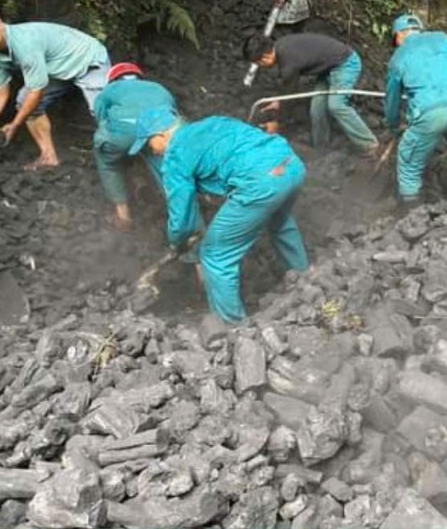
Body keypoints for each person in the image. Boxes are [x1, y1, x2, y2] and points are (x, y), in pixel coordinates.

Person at [130, 109, 310, 323]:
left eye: (149, 145)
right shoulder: (214, 122)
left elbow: (181, 212)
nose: (154, 152)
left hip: (261, 183)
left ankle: (232, 327)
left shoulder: (175, 155)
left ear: (161, 135)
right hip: (290, 164)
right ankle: (306, 280)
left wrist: (178, 241)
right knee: (279, 222)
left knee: (215, 254)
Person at [0, 4, 111, 170]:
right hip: (55, 68)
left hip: (86, 59)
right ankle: (49, 157)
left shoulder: (25, 43)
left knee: (102, 111)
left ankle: (119, 160)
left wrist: (14, 126)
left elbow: (36, 92)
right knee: (24, 101)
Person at [385, 14, 447, 204]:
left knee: (409, 166)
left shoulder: (397, 58)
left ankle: (412, 216)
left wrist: (392, 125)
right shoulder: (441, 38)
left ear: (399, 35)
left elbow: (392, 99)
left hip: (427, 115)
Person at [244, 32, 379, 154]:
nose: (261, 67)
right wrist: (279, 101)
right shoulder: (281, 46)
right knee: (317, 108)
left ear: (265, 58)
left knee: (336, 105)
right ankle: (321, 149)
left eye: (258, 63)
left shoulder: (289, 62)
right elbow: (288, 90)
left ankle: (369, 144)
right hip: (327, 68)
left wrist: (278, 123)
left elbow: (291, 96)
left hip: (345, 63)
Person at [93, 62, 182, 230]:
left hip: (124, 130)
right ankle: (183, 218)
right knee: (166, 169)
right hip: (159, 133)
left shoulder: (110, 89)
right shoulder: (158, 87)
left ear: (114, 79)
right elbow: (171, 116)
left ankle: (123, 215)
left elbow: (100, 118)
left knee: (108, 162)